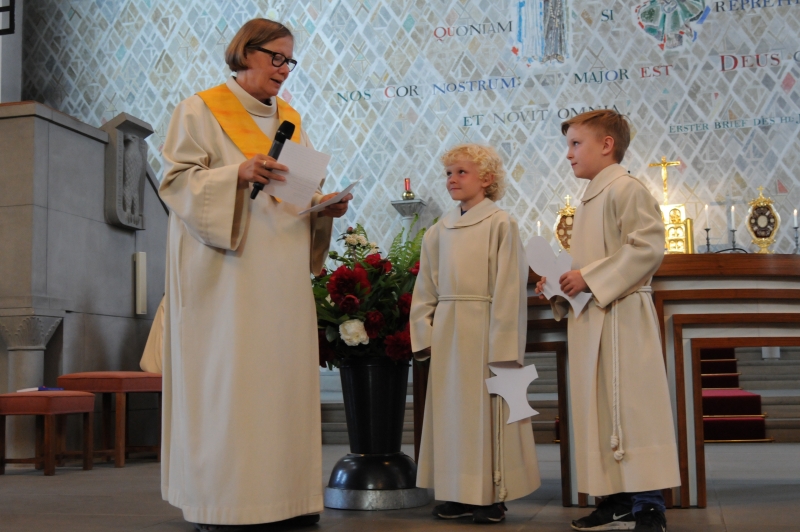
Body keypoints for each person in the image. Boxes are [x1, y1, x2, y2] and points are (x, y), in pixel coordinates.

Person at [159, 18, 352, 531]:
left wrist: (323, 205)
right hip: (226, 273)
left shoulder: (290, 118)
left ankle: (284, 500)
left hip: (280, 273)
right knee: (232, 382)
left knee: (281, 383)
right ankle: (223, 503)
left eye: (290, 61)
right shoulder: (200, 109)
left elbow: (292, 193)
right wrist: (236, 174)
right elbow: (176, 182)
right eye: (276, 58)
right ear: (246, 53)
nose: (285, 70)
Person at [536, 109, 680, 532]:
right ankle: (616, 502)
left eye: (576, 144)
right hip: (594, 319)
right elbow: (587, 267)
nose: (568, 154)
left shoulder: (625, 189)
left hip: (623, 318)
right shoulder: (590, 198)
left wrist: (589, 277)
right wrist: (560, 284)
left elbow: (648, 247)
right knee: (601, 412)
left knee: (634, 410)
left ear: (606, 145)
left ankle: (649, 506)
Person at [410, 144, 541, 524]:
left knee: (487, 414)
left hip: (486, 331)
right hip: (448, 333)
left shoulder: (500, 224)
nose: (452, 179)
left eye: (461, 172)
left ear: (487, 179)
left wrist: (503, 347)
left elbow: (509, 288)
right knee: (452, 415)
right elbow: (425, 288)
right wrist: (424, 332)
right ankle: (457, 492)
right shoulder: (438, 231)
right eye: (448, 173)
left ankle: (490, 496)